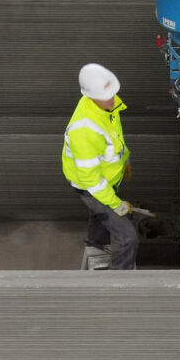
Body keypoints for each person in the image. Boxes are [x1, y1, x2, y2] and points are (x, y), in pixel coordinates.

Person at [62, 63, 137, 270]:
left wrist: (125, 160)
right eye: (108, 95)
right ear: (91, 96)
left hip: (106, 181)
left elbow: (115, 138)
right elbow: (91, 181)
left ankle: (96, 243)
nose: (114, 99)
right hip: (92, 188)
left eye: (114, 93)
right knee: (128, 238)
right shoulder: (84, 130)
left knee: (99, 216)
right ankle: (117, 278)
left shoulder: (106, 107)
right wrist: (116, 204)